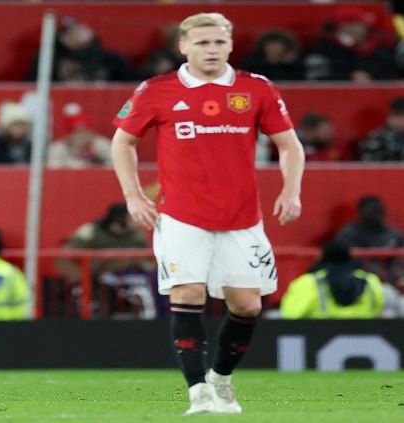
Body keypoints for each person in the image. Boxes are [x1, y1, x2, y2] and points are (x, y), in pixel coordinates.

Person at [110, 13, 304, 414]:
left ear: (230, 46)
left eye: (218, 42)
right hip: (181, 216)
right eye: (202, 43)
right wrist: (132, 196)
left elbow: (290, 145)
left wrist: (291, 189)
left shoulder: (256, 89)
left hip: (242, 218)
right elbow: (122, 142)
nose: (211, 50)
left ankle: (220, 378)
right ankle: (197, 392)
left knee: (247, 305)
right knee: (188, 294)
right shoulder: (156, 90)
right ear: (183, 47)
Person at [56, 203, 155, 318]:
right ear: (119, 218)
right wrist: (84, 278)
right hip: (97, 282)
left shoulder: (136, 236)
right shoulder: (91, 232)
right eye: (132, 217)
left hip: (128, 282)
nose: (138, 220)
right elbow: (64, 257)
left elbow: (147, 260)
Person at [280, 241, 384, 319]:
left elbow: (290, 313)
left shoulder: (309, 282)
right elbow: (380, 308)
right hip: (366, 337)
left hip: (314, 338)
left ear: (323, 258)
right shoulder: (370, 280)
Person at [304, 6, 398, 81]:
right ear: (346, 26)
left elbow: (389, 70)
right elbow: (317, 77)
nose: (367, 27)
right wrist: (349, 77)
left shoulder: (377, 46)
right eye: (361, 24)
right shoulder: (324, 48)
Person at [26, 17, 133, 82]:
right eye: (69, 34)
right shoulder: (48, 58)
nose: (76, 36)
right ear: (61, 37)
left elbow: (127, 84)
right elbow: (33, 83)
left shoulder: (111, 59)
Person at [335, 196, 404, 286]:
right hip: (358, 283)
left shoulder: (394, 235)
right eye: (372, 210)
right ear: (361, 211)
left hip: (391, 284)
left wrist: (395, 276)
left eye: (379, 209)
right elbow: (349, 261)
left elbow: (400, 262)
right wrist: (379, 274)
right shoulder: (348, 234)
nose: (376, 213)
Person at [46, 102, 112, 168]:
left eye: (85, 131)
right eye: (79, 133)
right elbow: (53, 167)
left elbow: (117, 162)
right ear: (69, 136)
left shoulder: (101, 144)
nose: (83, 136)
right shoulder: (57, 149)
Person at [239, 29, 305, 81]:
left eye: (277, 44)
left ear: (286, 46)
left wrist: (288, 64)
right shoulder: (251, 62)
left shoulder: (295, 64)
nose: (273, 47)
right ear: (262, 46)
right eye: (270, 44)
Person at [358, 97, 404, 162]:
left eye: (402, 116)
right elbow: (368, 165)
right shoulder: (377, 138)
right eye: (397, 116)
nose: (400, 121)